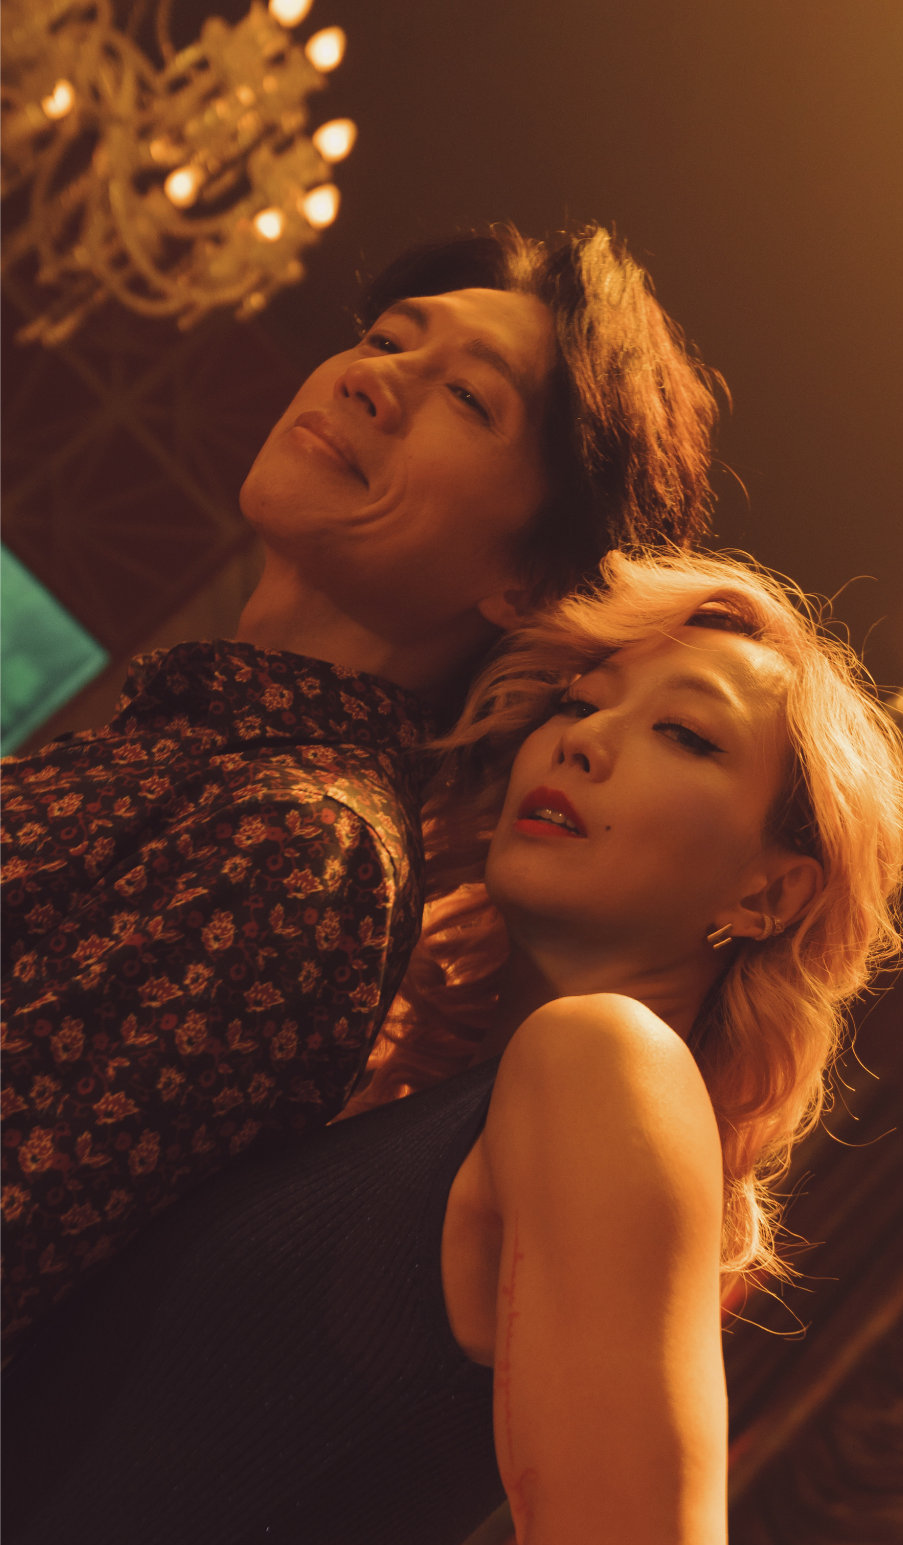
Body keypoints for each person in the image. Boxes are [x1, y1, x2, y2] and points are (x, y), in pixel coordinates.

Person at [1, 550, 903, 1545]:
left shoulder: (608, 1058)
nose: (583, 738)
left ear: (770, 894)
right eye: (579, 699)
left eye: (685, 732)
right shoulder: (467, 1103)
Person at [0, 223, 724, 1357]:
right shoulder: (209, 748)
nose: (373, 378)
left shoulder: (306, 847)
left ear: (528, 579)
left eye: (470, 398)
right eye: (387, 339)